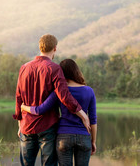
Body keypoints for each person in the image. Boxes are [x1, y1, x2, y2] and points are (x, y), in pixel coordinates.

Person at [13, 34, 91, 166]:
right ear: (55, 48)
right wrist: (83, 115)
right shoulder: (55, 69)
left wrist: (20, 121)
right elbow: (64, 96)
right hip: (47, 126)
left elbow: (19, 96)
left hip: (26, 125)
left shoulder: (24, 67)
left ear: (40, 47)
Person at [21, 59, 97, 166]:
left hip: (63, 138)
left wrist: (24, 107)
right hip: (84, 137)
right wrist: (93, 141)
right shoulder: (89, 91)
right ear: (76, 71)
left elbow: (40, 110)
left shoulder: (59, 91)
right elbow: (93, 119)